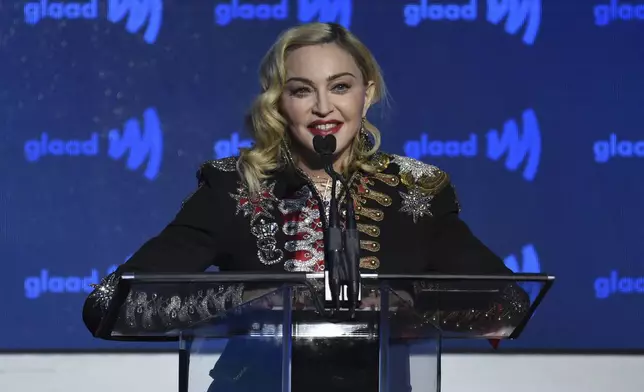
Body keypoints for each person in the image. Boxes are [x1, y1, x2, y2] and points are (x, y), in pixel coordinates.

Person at [82, 22, 529, 391]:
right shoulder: (234, 187)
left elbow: (509, 302)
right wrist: (252, 299)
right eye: (301, 90)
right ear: (279, 102)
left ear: (366, 94)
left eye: (340, 87)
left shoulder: (415, 192)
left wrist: (404, 304)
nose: (323, 107)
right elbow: (108, 304)